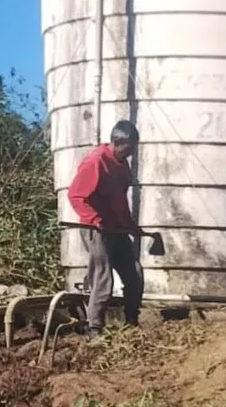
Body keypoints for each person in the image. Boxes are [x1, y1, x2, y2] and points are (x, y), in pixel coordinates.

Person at [67, 120, 144, 339]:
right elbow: (76, 196)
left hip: (116, 228)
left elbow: (120, 201)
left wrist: (130, 225)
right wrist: (95, 218)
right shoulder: (96, 161)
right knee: (103, 276)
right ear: (118, 143)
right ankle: (95, 328)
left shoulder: (122, 165)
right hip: (97, 228)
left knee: (135, 274)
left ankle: (131, 322)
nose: (131, 153)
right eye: (129, 148)